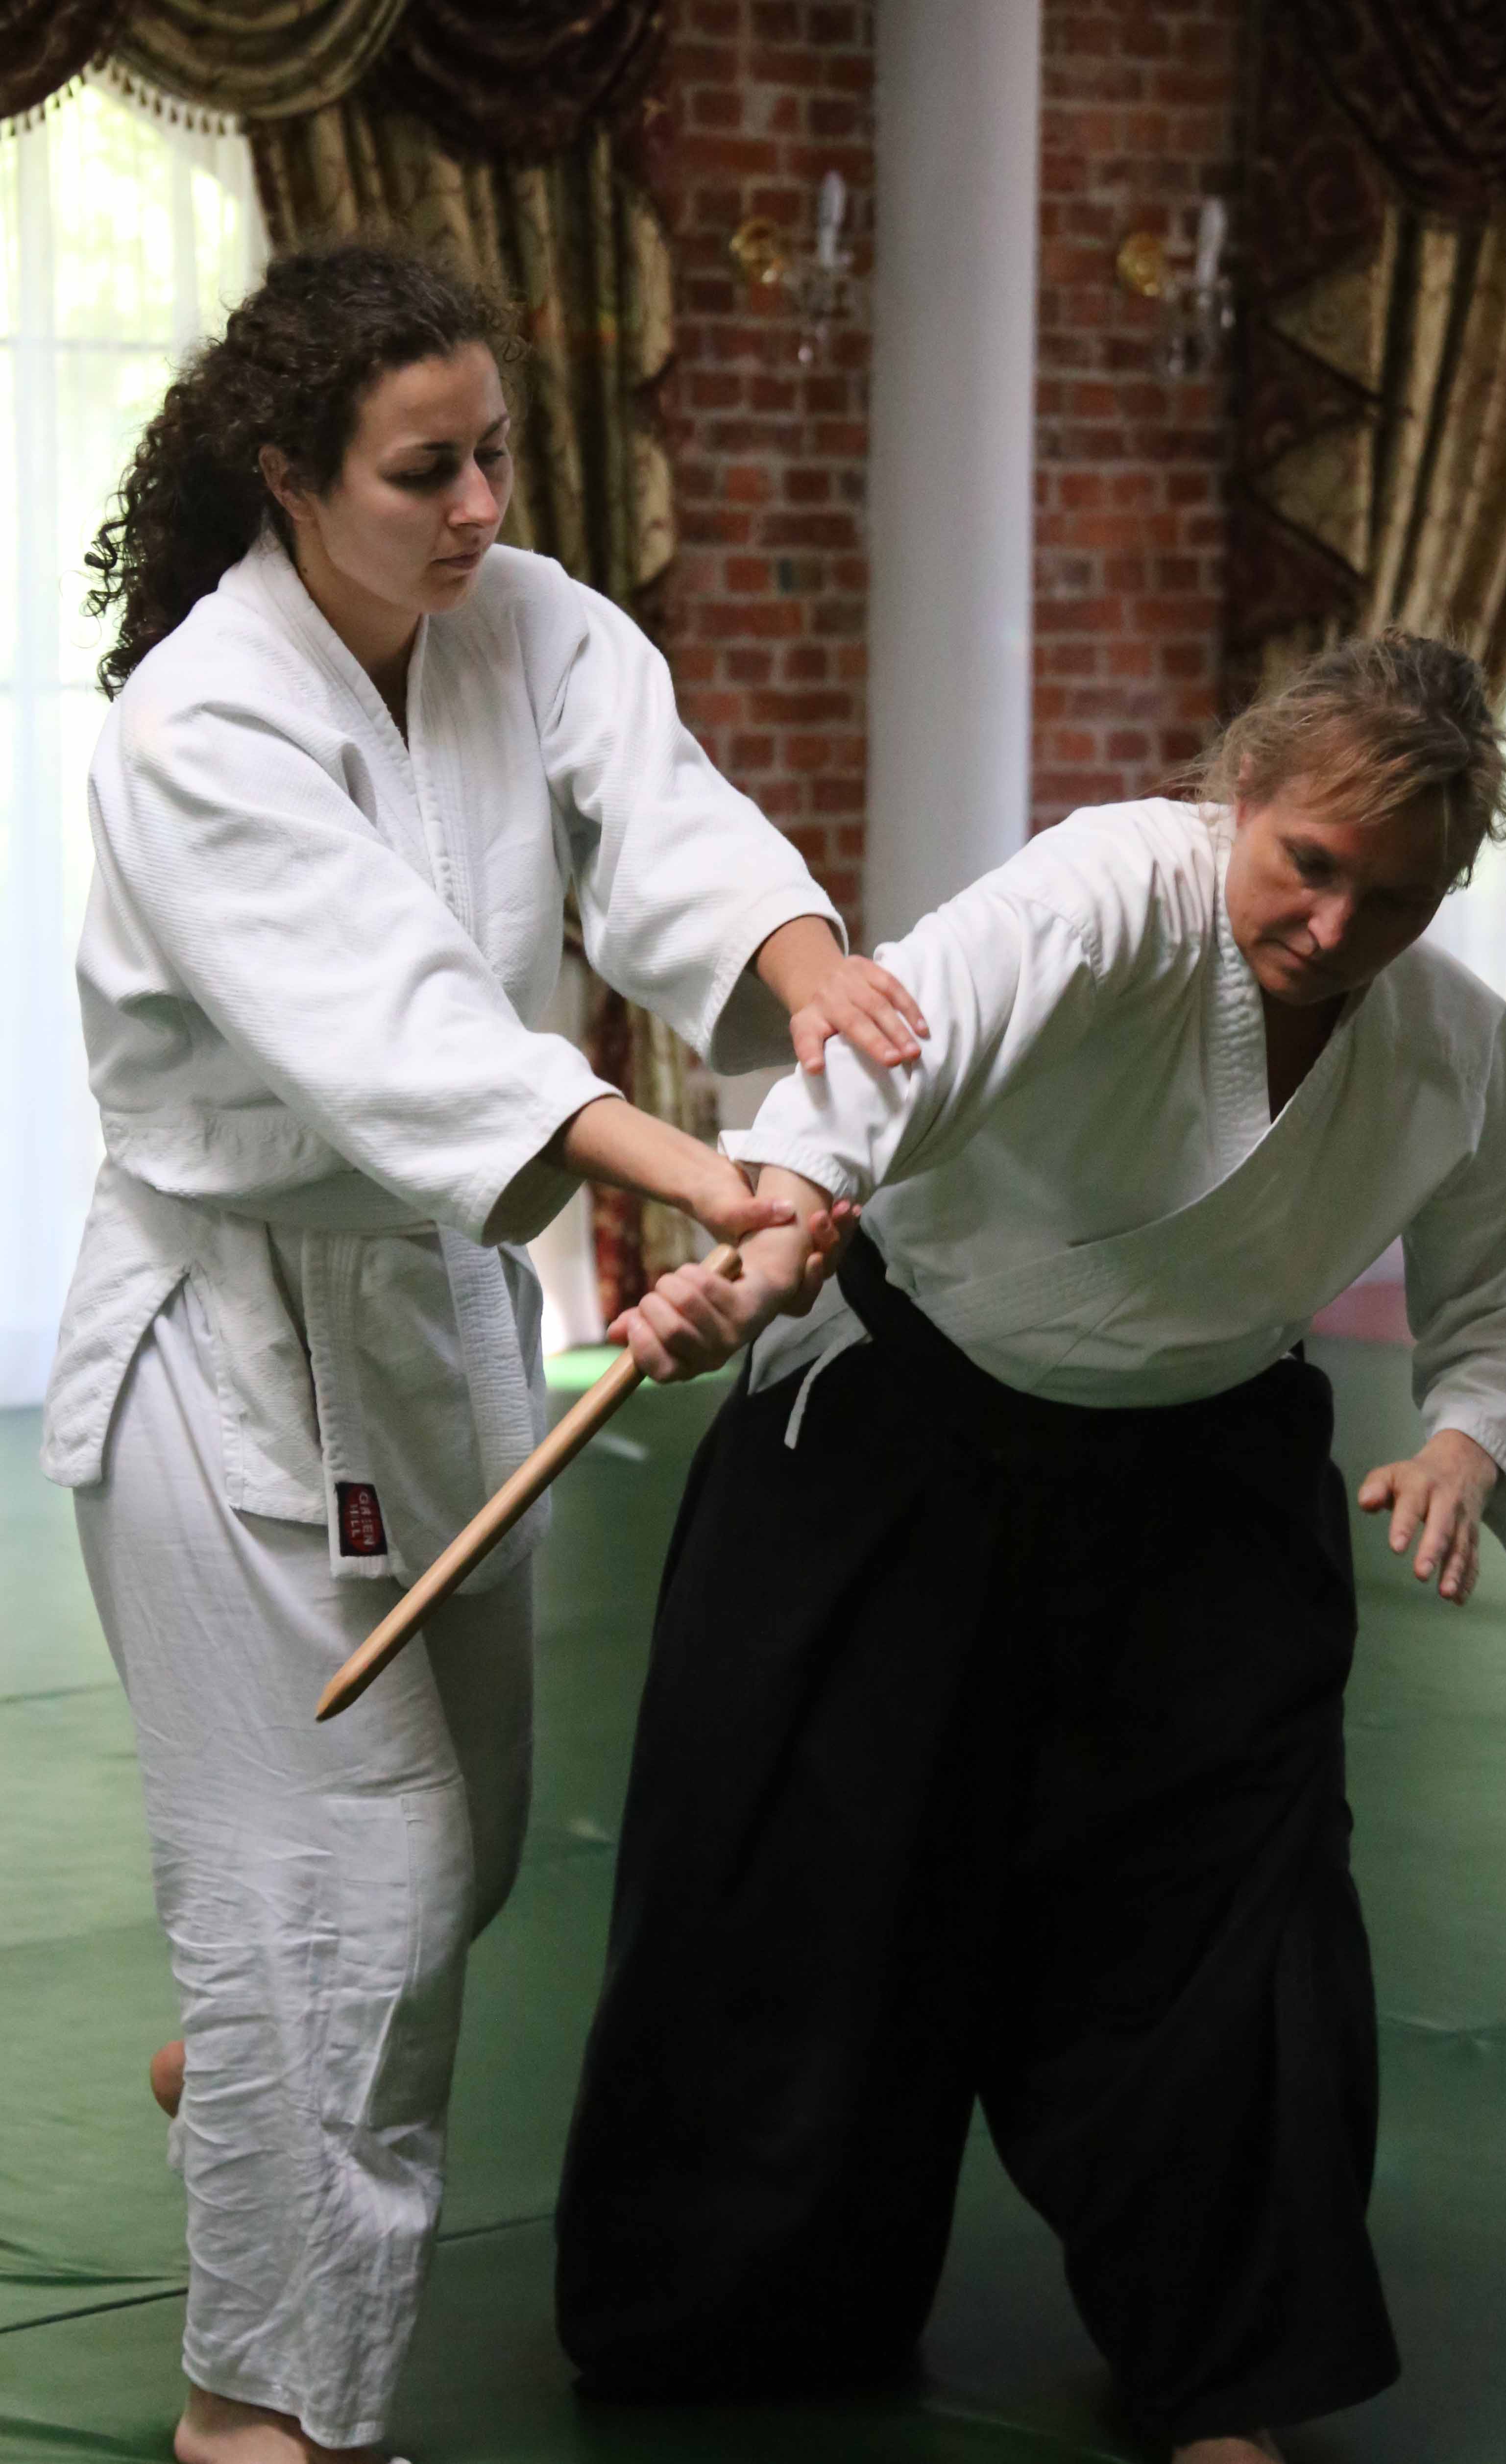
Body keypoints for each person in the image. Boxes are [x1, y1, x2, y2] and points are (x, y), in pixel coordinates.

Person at [44, 239, 923, 2464]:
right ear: (288, 473)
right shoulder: (199, 725)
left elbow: (670, 829)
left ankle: (249, 2059)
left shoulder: (526, 622)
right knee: (347, 1874)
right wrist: (700, 1176)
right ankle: (264, 2420)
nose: (476, 508)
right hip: (226, 1344)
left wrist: (804, 972)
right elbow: (404, 1024)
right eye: (422, 470)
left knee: (459, 1852)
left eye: (495, 455)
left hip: (432, 1310)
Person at [553, 633, 1506, 2464]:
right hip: (901, 1438)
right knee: (804, 1882)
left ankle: (1226, 2368)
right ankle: (738, 2315)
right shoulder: (1114, 890)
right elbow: (904, 1040)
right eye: (1311, 866)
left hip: (1201, 1487)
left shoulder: (1449, 1041)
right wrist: (780, 1223)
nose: (1339, 928)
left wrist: (1468, 1430)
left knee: (1236, 1915)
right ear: (1243, 799)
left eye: (1395, 897)